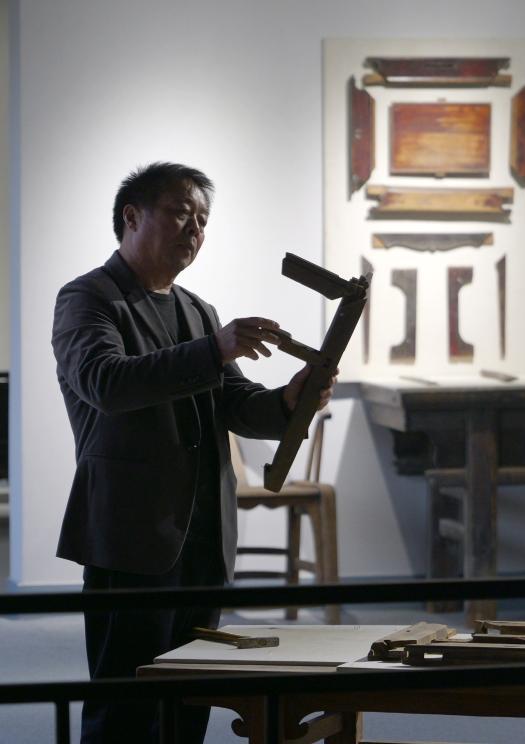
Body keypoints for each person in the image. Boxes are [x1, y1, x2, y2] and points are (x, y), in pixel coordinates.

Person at [51, 162, 334, 743]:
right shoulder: (88, 298)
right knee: (127, 707)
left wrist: (287, 401)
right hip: (131, 536)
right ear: (132, 217)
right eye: (181, 213)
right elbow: (107, 383)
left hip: (203, 538)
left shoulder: (196, 309)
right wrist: (214, 349)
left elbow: (232, 402)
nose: (195, 230)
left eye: (203, 220)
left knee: (188, 703)